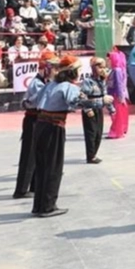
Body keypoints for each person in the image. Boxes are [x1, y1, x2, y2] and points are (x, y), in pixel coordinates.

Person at [31, 55, 82, 217]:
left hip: (40, 125)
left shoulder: (50, 85)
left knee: (42, 166)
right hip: (54, 127)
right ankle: (48, 206)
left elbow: (32, 101)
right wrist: (100, 100)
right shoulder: (69, 87)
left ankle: (38, 205)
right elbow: (76, 103)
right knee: (53, 166)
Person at [13, 51, 56, 199]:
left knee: (38, 153)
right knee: (29, 155)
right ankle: (21, 189)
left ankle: (34, 185)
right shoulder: (37, 83)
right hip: (33, 120)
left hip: (40, 120)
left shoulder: (45, 83)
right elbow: (38, 102)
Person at [79, 57, 114, 164]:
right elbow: (82, 96)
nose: (102, 69)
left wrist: (111, 109)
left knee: (99, 133)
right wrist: (87, 109)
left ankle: (94, 153)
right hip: (90, 107)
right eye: (100, 67)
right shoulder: (88, 81)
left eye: (103, 67)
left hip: (99, 108)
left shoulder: (102, 81)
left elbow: (105, 95)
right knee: (91, 133)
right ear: (94, 68)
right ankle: (90, 156)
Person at [106, 48, 131, 139]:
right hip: (115, 94)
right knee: (118, 114)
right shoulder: (117, 70)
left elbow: (119, 84)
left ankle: (116, 131)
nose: (107, 61)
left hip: (116, 95)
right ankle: (121, 129)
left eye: (109, 59)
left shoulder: (117, 70)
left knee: (116, 114)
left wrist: (120, 96)